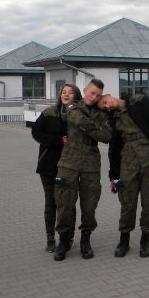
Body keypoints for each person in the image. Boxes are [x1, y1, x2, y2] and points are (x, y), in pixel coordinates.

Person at [98, 92, 149, 258]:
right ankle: (124, 240)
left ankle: (146, 239)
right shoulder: (113, 119)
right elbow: (113, 149)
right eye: (104, 107)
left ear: (109, 95)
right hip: (128, 163)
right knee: (127, 201)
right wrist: (113, 177)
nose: (108, 106)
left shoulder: (139, 101)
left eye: (106, 102)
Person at [52, 79, 112, 261]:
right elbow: (76, 120)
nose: (94, 97)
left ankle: (85, 240)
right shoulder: (71, 107)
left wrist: (86, 124)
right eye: (92, 93)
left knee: (89, 205)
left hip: (91, 165)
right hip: (68, 163)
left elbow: (107, 136)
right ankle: (63, 241)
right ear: (85, 90)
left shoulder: (99, 112)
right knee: (64, 205)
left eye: (98, 95)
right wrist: (93, 127)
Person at [31, 84, 81, 253]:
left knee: (68, 203)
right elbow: (36, 133)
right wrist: (58, 140)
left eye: (70, 92)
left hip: (70, 166)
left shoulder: (79, 115)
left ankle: (68, 237)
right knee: (51, 203)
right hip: (48, 165)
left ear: (76, 96)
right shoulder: (49, 112)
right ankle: (50, 238)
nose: (66, 94)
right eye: (63, 92)